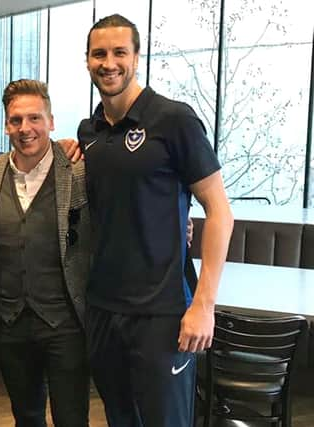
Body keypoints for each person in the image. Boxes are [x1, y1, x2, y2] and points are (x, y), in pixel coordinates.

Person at [77, 14, 234, 427]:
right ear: (87, 60)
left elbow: (219, 211)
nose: (108, 63)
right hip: (104, 309)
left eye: (118, 53)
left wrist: (204, 304)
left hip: (162, 313)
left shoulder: (173, 120)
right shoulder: (88, 131)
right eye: (99, 54)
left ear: (136, 57)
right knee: (120, 419)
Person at [0, 79, 90, 427]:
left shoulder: (80, 170)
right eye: (16, 120)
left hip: (66, 323)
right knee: (25, 416)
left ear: (51, 121)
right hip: (9, 323)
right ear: (6, 124)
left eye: (34, 118)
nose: (25, 129)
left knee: (71, 418)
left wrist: (181, 226)